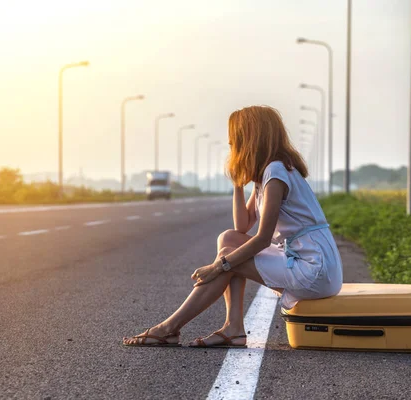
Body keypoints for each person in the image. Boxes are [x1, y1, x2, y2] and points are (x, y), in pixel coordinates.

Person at [123, 105, 343, 348]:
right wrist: (238, 183)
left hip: (315, 269)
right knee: (228, 238)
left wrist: (217, 267)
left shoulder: (276, 172)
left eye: (234, 142)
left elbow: (261, 238)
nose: (230, 146)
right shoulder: (267, 173)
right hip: (305, 258)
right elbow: (242, 224)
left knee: (229, 259)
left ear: (249, 140)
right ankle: (234, 328)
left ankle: (168, 328)